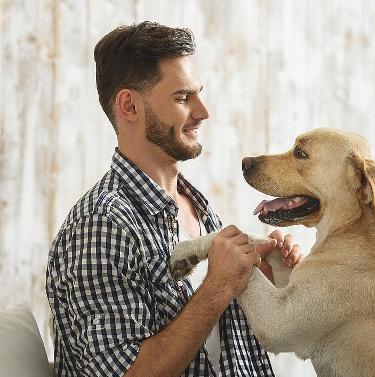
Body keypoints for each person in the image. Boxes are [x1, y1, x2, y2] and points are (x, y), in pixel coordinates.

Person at [45, 21, 303, 377]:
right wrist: (217, 287)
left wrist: (265, 282)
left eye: (199, 93)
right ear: (129, 106)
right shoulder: (101, 225)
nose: (203, 111)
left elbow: (215, 345)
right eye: (183, 97)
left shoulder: (197, 206)